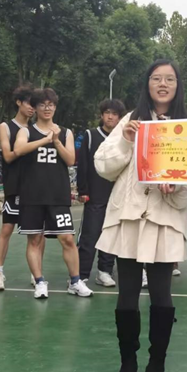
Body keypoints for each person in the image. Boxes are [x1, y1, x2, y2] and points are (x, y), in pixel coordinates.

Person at [94, 59, 187, 372]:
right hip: (128, 217)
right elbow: (103, 166)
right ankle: (128, 362)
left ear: (178, 85)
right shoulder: (131, 120)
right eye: (156, 78)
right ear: (147, 83)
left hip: (164, 220)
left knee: (161, 297)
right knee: (126, 298)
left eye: (170, 79)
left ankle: (157, 362)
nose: (163, 84)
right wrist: (126, 140)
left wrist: (177, 186)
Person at [14, 88, 92, 299]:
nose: (46, 108)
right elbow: (18, 150)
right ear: (35, 108)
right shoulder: (26, 132)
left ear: (55, 107)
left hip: (57, 196)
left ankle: (75, 281)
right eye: (42, 104)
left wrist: (56, 141)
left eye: (50, 105)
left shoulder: (65, 133)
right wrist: (45, 140)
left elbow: (70, 160)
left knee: (67, 239)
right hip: (32, 196)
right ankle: (40, 282)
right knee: (34, 240)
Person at [0, 85, 39, 291]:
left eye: (35, 105)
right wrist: (25, 146)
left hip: (34, 186)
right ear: (19, 102)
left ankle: (36, 273)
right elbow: (8, 155)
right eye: (29, 103)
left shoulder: (36, 130)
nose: (32, 108)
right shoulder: (6, 127)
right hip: (14, 185)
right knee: (7, 228)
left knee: (36, 233)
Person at [77, 98, 126, 287]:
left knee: (111, 235)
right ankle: (81, 274)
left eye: (114, 114)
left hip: (117, 196)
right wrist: (83, 190)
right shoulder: (91, 135)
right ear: (102, 115)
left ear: (120, 118)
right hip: (95, 195)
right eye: (107, 113)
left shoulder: (124, 138)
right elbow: (83, 164)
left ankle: (105, 271)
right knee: (89, 236)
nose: (110, 117)